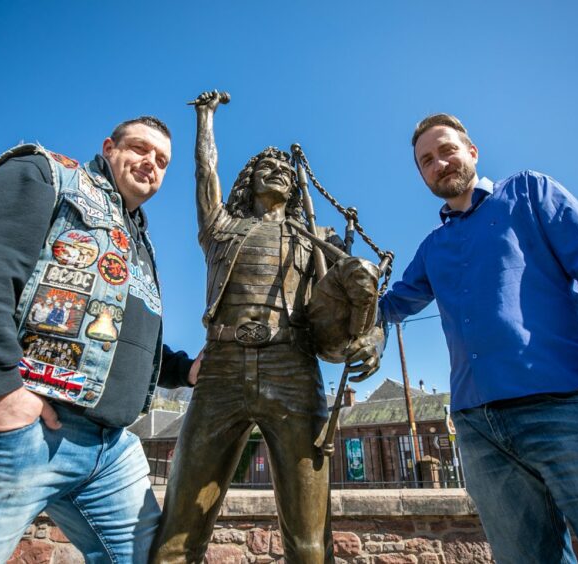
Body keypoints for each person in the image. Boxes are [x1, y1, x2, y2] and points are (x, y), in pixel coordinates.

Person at [377, 113, 578, 562]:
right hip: (478, 431)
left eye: (447, 149)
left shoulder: (529, 192)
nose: (440, 163)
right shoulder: (433, 248)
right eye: (426, 160)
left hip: (569, 410)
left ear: (471, 152)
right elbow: (388, 306)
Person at [0, 116, 199, 563]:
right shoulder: (49, 175)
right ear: (109, 147)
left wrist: (185, 371)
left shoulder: (140, 243)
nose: (150, 163)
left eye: (162, 160)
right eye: (139, 148)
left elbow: (123, 337)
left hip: (110, 446)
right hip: (19, 425)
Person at [151, 91, 379, 564]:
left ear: (296, 187)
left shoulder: (316, 240)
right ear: (248, 180)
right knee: (178, 533)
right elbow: (204, 174)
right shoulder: (220, 228)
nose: (277, 171)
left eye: (285, 169)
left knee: (309, 541)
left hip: (292, 368)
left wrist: (370, 336)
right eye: (266, 166)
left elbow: (342, 305)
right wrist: (205, 119)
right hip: (220, 369)